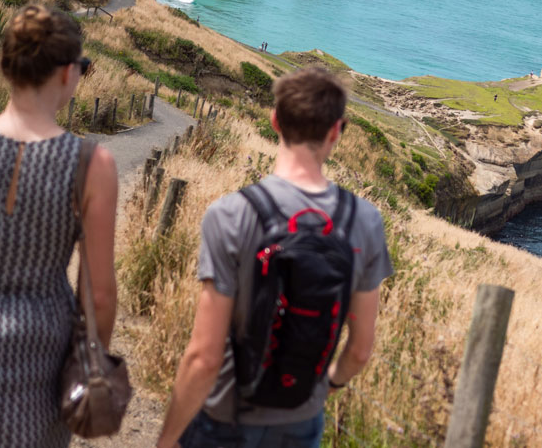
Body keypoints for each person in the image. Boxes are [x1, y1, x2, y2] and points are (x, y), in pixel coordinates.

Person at [156, 67, 393, 448]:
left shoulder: (231, 213)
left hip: (226, 417)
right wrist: (325, 386)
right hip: (301, 420)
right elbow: (361, 349)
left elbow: (204, 357)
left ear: (275, 121)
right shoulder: (365, 220)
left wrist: (166, 440)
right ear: (336, 131)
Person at [0, 3, 119, 447]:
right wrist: (89, 372)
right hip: (43, 354)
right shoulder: (93, 166)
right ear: (69, 73)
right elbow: (100, 297)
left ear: (7, 67)